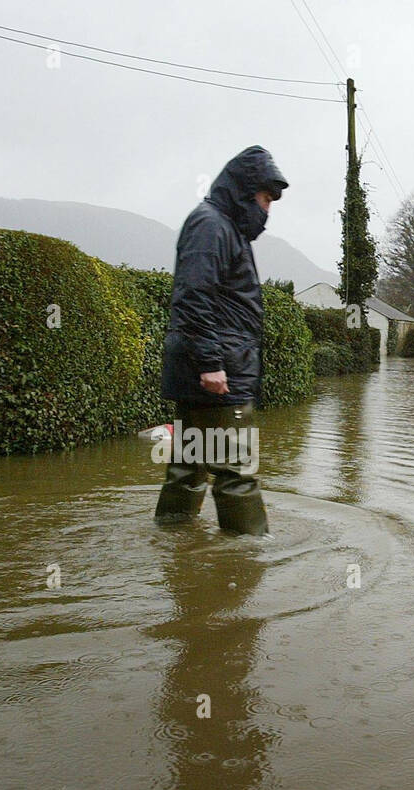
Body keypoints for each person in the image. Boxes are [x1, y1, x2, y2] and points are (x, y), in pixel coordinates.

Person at [154, 145, 288, 536]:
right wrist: (212, 364)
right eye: (266, 198)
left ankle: (174, 543)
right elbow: (194, 295)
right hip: (218, 374)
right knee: (236, 473)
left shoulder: (220, 226)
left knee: (188, 466)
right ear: (247, 192)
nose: (268, 209)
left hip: (205, 369)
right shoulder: (213, 225)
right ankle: (248, 563)